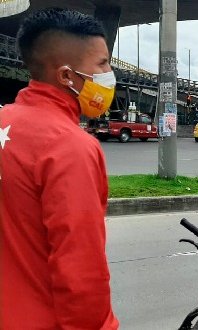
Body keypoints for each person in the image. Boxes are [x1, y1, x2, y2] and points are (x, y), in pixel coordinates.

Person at [0, 8, 119, 329]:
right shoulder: (70, 146)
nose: (110, 74)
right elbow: (81, 272)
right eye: (103, 64)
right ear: (67, 75)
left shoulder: (4, 122)